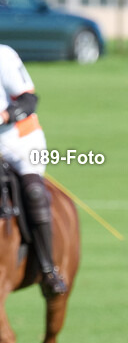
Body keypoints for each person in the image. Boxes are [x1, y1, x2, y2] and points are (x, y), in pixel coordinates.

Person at [0, 45, 67, 294]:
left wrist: (4, 116)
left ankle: (49, 271)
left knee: (34, 192)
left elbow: (29, 100)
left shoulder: (3, 56)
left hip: (18, 142)